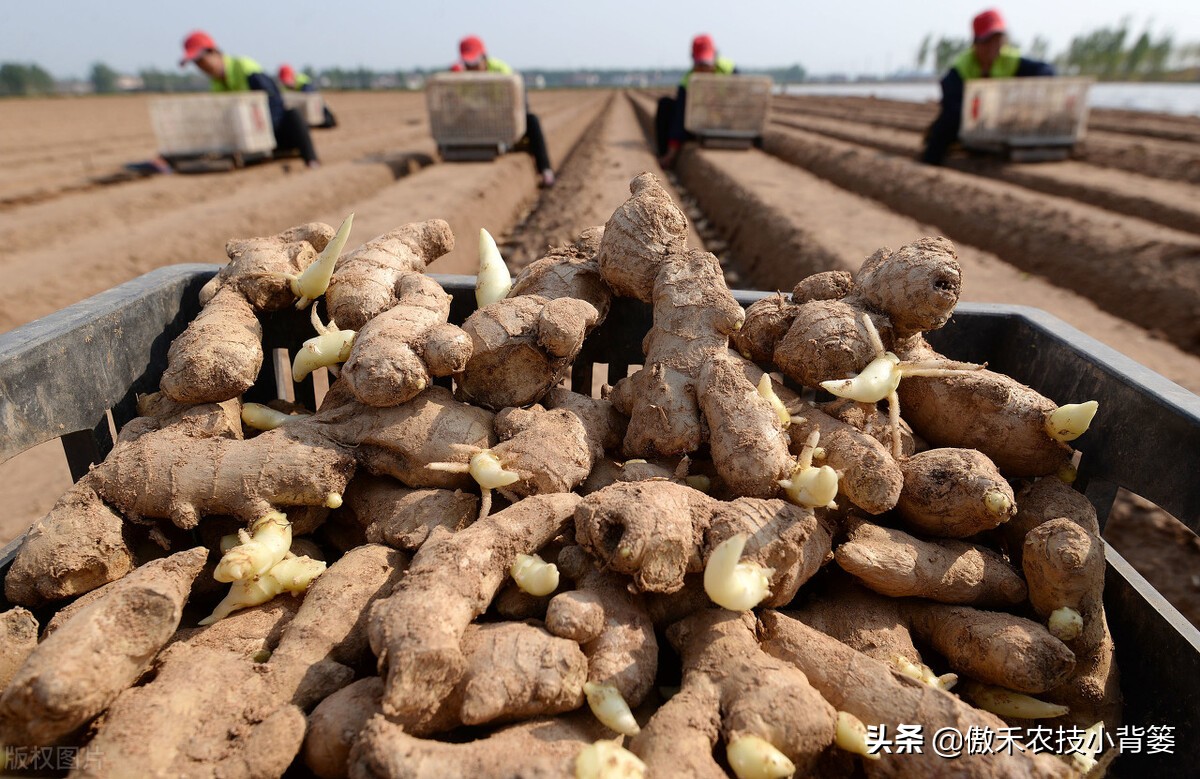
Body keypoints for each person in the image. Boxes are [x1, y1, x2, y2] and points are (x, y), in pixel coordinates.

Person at [921, 9, 1055, 165]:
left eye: (998, 39)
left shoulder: (1010, 60)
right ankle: (931, 160)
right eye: (988, 40)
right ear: (976, 42)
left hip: (1003, 117)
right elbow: (950, 101)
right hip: (971, 119)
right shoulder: (962, 68)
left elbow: (1047, 72)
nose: (994, 45)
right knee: (948, 121)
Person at [179, 30, 320, 168]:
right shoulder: (216, 84)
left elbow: (274, 100)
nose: (201, 67)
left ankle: (311, 160)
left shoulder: (245, 67)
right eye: (196, 63)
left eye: (201, 60)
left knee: (293, 115)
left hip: (272, 130)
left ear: (214, 52)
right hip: (245, 139)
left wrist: (263, 130)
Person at [455, 35, 555, 188]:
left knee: (532, 121)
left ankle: (545, 170)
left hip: (505, 117)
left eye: (474, 62)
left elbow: (517, 102)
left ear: (484, 57)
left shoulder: (502, 70)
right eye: (467, 63)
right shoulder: (463, 78)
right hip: (480, 119)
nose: (471, 67)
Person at [655, 34, 737, 169]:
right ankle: (665, 155)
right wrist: (671, 154)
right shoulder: (687, 81)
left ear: (714, 57)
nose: (704, 68)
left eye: (706, 63)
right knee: (665, 104)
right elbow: (679, 118)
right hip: (698, 123)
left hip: (724, 120)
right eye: (700, 64)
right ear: (693, 60)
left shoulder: (729, 70)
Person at [278, 63, 338, 128]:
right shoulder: (284, 87)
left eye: (287, 80)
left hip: (314, 108)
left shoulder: (303, 81)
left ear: (292, 76)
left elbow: (310, 97)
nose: (287, 83)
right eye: (284, 81)